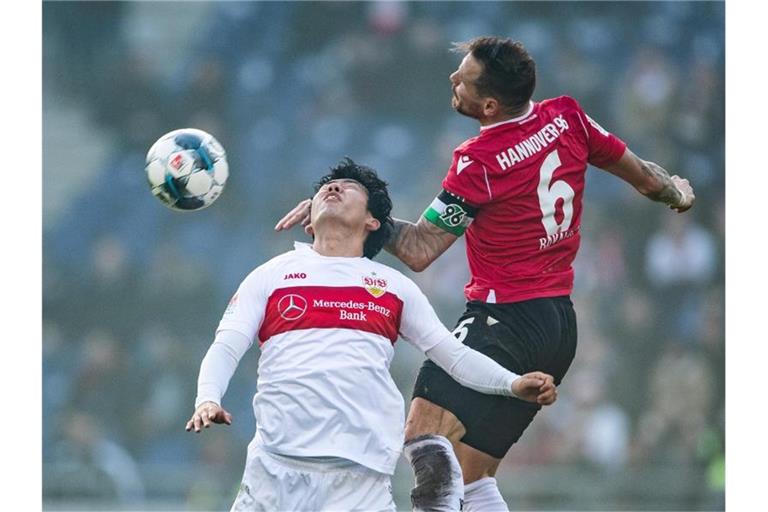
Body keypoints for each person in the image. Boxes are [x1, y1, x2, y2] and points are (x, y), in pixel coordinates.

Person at [275, 37, 696, 511]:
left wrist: (358, 216)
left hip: (503, 319)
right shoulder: (568, 117)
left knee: (423, 434)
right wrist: (676, 193)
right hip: (558, 327)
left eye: (464, 80)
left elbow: (418, 249)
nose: (453, 81)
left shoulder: (481, 160)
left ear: (489, 105)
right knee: (473, 479)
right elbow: (646, 177)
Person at [187, 158, 558, 511]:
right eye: (326, 187)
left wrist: (512, 384)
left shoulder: (394, 287)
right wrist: (207, 398)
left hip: (360, 479)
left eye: (349, 187)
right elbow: (228, 345)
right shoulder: (270, 275)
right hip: (275, 471)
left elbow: (453, 356)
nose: (333, 188)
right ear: (309, 221)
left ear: (373, 221)